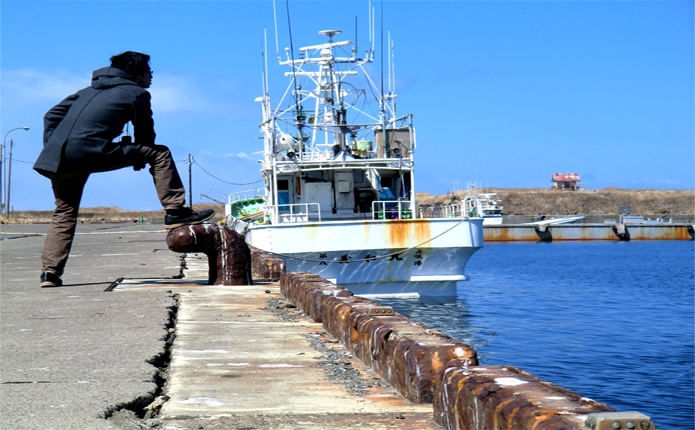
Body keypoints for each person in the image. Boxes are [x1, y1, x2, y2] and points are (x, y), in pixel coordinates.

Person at [33, 51, 214, 288]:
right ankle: (176, 211)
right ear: (137, 72)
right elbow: (146, 135)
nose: (151, 77)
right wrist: (141, 155)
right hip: (90, 152)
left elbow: (51, 115)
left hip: (56, 158)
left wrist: (54, 145)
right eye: (150, 72)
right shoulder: (136, 93)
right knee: (160, 152)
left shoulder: (85, 92)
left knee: (64, 212)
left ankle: (50, 273)